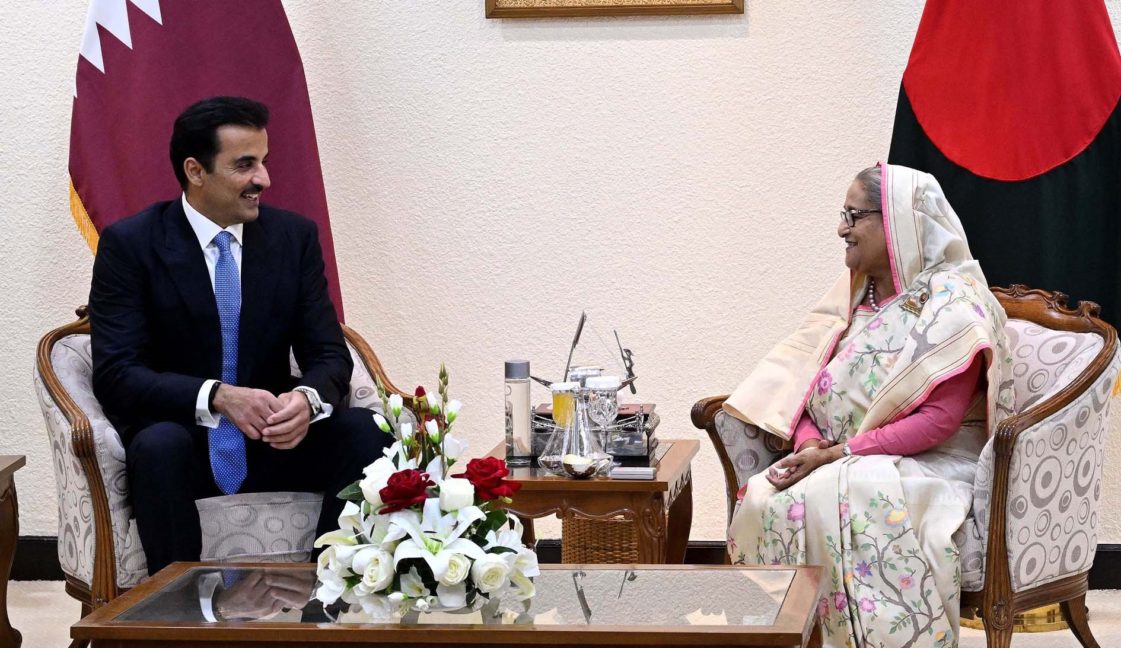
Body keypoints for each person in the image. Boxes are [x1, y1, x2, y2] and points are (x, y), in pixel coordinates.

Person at [89, 96, 388, 575]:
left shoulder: (293, 238)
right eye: (245, 165)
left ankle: (327, 592)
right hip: (184, 446)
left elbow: (329, 353)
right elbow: (116, 372)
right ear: (196, 170)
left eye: (264, 162)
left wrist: (306, 400)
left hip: (272, 442)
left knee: (366, 431)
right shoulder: (132, 244)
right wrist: (218, 397)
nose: (263, 179)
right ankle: (179, 608)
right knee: (159, 445)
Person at [723, 162, 1016, 648]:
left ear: (897, 219)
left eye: (853, 215)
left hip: (931, 462)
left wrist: (839, 454)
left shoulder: (954, 305)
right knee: (763, 495)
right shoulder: (852, 297)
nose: (842, 229)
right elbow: (806, 392)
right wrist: (810, 445)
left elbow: (937, 422)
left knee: (847, 495)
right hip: (838, 456)